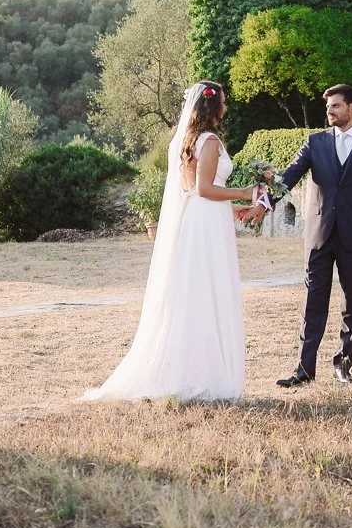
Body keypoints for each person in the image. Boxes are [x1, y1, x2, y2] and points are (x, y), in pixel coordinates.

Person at [80, 82, 255, 402]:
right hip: (206, 227)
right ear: (213, 106)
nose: (226, 108)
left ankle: (187, 369)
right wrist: (246, 192)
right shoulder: (211, 141)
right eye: (224, 103)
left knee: (194, 293)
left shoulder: (187, 141)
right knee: (208, 292)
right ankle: (204, 376)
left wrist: (232, 208)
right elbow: (205, 190)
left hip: (199, 221)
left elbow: (195, 195)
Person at [240, 83, 352, 387]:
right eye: (328, 107)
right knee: (313, 301)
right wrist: (262, 204)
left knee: (351, 302)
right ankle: (304, 369)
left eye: (336, 106)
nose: (330, 111)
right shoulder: (314, 143)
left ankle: (343, 364)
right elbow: (288, 177)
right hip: (319, 235)